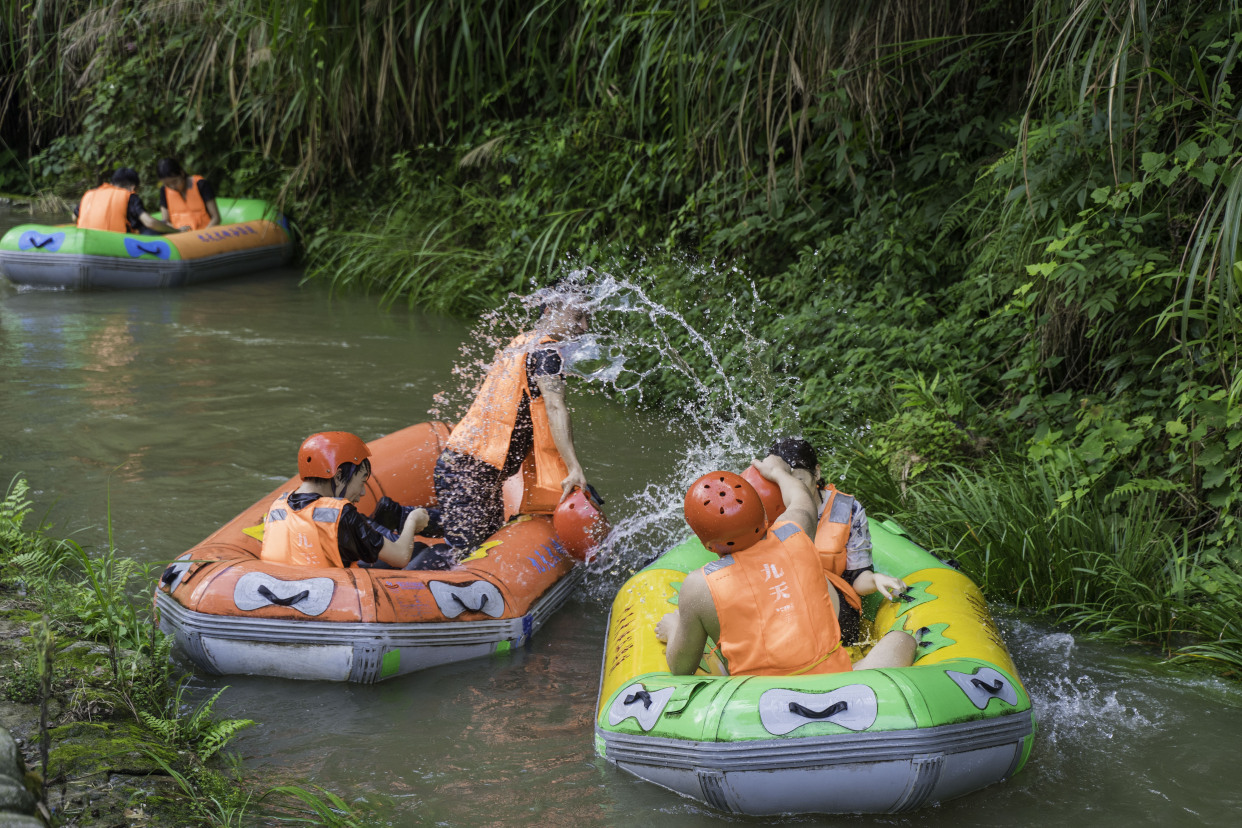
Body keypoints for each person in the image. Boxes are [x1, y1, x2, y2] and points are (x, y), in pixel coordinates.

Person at [656, 458, 915, 677]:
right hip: (835, 684)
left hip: (761, 701)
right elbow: (801, 497)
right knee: (901, 641)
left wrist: (673, 626)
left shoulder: (698, 586)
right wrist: (778, 472)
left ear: (707, 544)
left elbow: (681, 668)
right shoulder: (796, 532)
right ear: (766, 516)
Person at [433, 285, 592, 555]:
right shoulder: (546, 354)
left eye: (588, 317)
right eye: (578, 317)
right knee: (464, 558)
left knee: (484, 545)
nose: (584, 327)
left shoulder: (524, 342)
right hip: (468, 472)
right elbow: (555, 407)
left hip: (472, 470)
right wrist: (574, 467)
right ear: (551, 310)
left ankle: (405, 517)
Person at [767, 437, 907, 645]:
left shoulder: (847, 509)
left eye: (798, 481)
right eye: (781, 483)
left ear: (817, 473)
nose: (790, 490)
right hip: (783, 607)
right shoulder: (764, 511)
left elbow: (858, 578)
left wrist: (875, 579)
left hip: (836, 609)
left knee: (807, 569)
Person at [261, 431, 431, 569]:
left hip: (288, 591)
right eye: (362, 481)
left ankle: (381, 522)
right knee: (425, 552)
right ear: (339, 475)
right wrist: (412, 521)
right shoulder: (341, 514)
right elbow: (400, 557)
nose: (363, 492)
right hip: (334, 596)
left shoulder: (276, 508)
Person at [75, 167, 180, 235]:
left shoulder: (90, 194)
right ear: (133, 187)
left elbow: (74, 216)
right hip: (116, 243)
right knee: (152, 231)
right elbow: (150, 222)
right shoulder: (130, 197)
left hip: (88, 240)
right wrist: (175, 231)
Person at [156, 158, 221, 232]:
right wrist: (177, 231)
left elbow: (216, 218)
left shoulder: (201, 185)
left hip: (204, 236)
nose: (172, 187)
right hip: (179, 237)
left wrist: (201, 236)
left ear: (182, 173)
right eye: (167, 184)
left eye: (175, 182)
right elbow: (165, 222)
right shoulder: (164, 190)